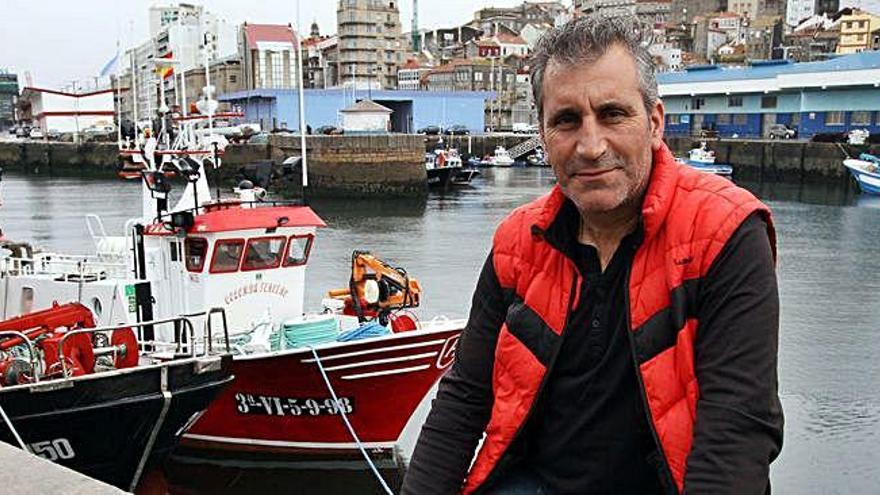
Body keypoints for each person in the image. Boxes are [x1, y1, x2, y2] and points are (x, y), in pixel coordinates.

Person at [402, 15, 783, 495]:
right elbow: (465, 399)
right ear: (542, 135)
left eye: (612, 114)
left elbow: (737, 427)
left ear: (655, 123)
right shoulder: (519, 242)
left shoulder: (724, 233)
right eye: (566, 120)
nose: (590, 145)